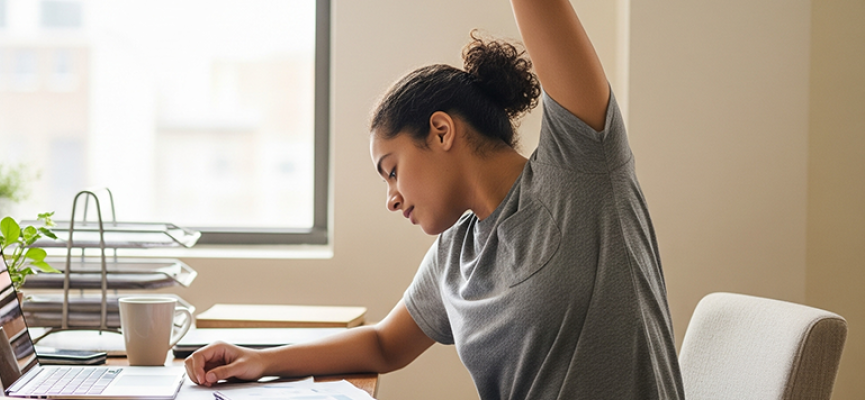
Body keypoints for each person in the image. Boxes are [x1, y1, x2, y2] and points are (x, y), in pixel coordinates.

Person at [185, 0, 685, 398]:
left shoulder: (579, 174)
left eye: (393, 171)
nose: (392, 199)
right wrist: (259, 359)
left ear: (441, 130)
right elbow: (384, 344)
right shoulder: (456, 254)